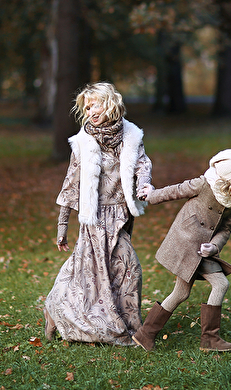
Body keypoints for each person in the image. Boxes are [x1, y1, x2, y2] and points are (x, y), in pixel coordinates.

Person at [43, 82, 153, 345]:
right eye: (87, 107)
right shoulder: (83, 142)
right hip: (95, 217)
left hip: (120, 215)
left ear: (110, 104)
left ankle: (129, 327)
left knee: (125, 270)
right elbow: (71, 184)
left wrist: (144, 184)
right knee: (94, 274)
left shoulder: (130, 135)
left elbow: (142, 164)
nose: (91, 111)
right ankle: (61, 312)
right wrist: (62, 226)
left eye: (96, 105)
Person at [132, 149, 231, 352]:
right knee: (218, 284)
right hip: (187, 242)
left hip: (204, 249)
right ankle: (209, 339)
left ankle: (145, 334)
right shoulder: (204, 184)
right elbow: (177, 190)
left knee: (181, 293)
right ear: (229, 175)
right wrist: (152, 195)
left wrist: (215, 246)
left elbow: (226, 228)